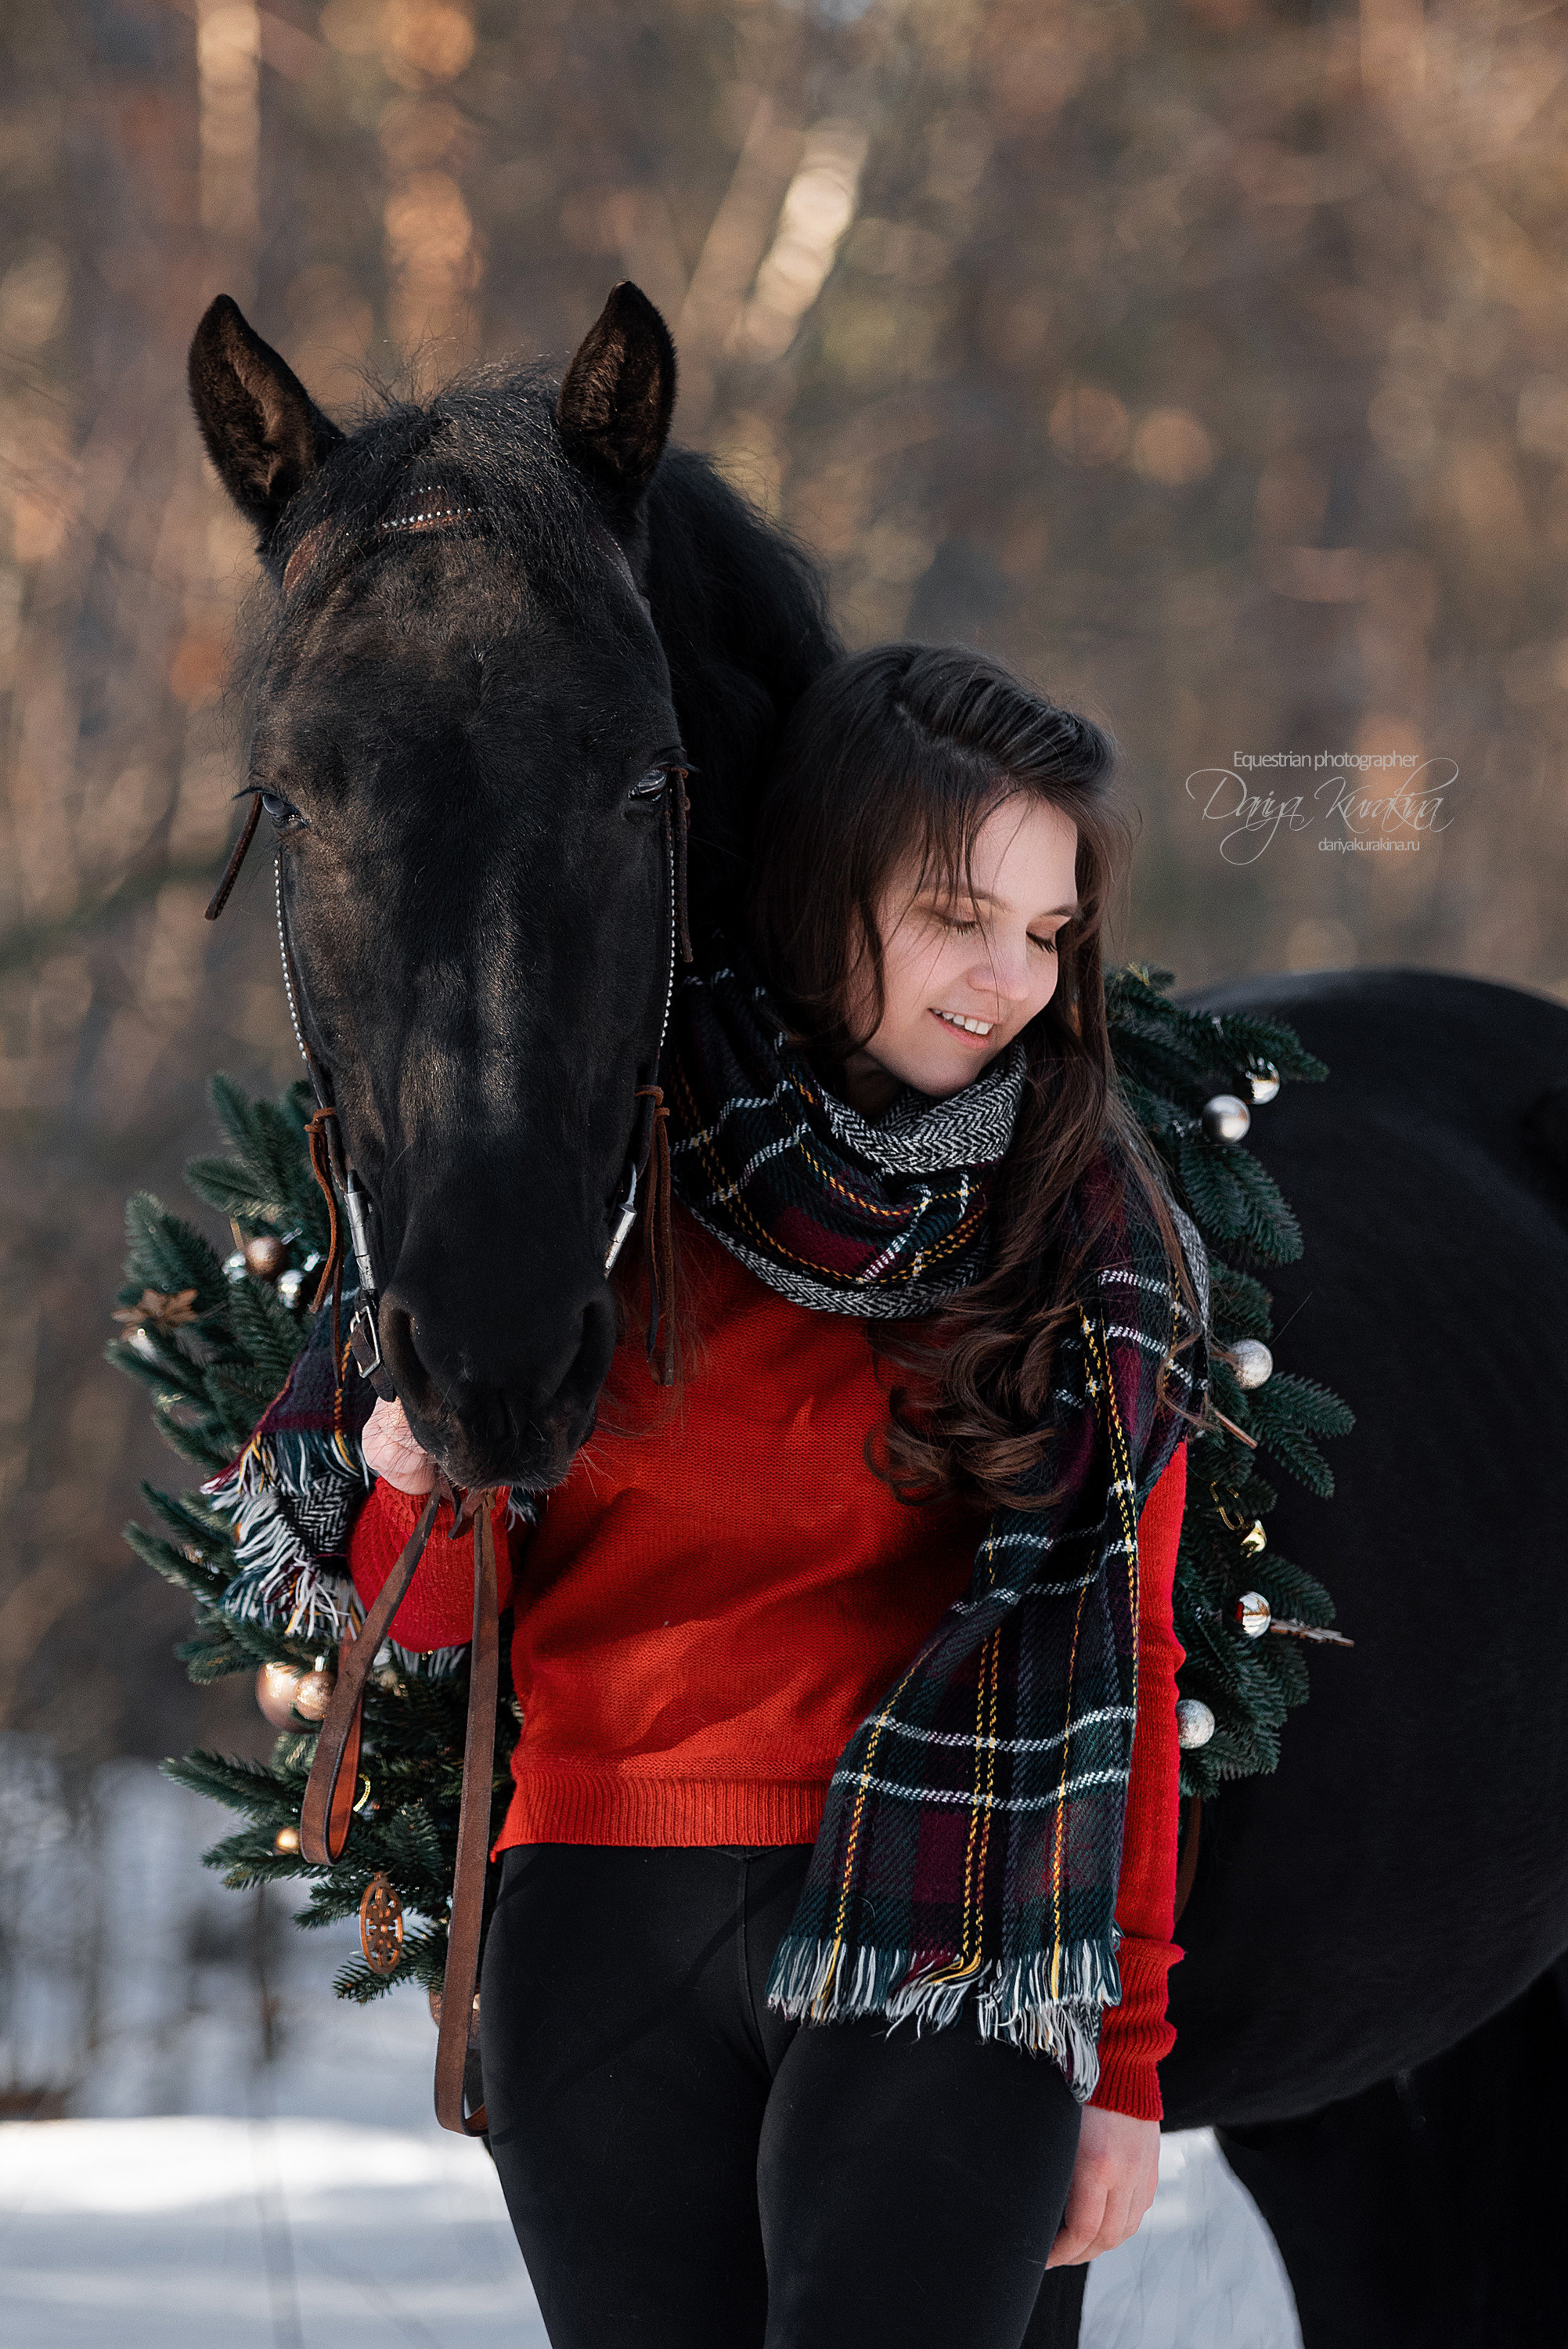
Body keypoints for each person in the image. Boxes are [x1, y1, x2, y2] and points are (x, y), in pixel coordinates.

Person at [349, 642, 1209, 2349]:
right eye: (957, 916)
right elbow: (436, 1619)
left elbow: (1140, 1654)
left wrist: (1123, 2064)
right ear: (826, 892)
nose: (1010, 982)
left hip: (957, 1916)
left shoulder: (1085, 1231)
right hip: (602, 1929)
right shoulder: (598, 1179)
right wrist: (418, 1473)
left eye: (1048, 933)